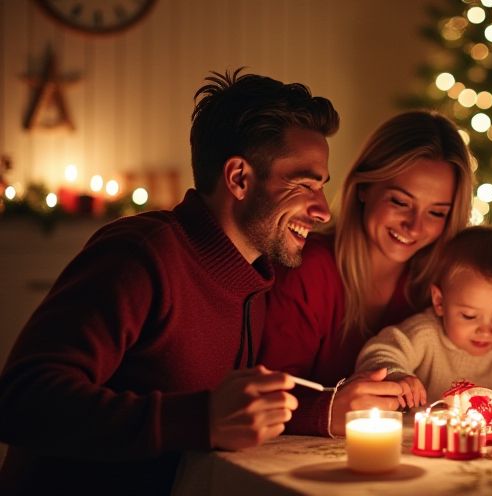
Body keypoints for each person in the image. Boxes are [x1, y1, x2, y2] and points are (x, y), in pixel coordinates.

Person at [0, 69, 339, 495]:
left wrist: (325, 411)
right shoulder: (141, 253)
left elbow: (221, 412)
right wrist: (198, 420)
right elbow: (22, 400)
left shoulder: (255, 277)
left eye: (322, 187)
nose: (323, 211)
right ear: (238, 178)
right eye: (305, 184)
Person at [260, 110, 474, 436]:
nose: (415, 226)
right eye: (400, 202)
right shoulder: (310, 269)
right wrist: (329, 410)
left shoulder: (438, 288)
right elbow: (266, 394)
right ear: (364, 188)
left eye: (436, 212)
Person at [356, 225, 492, 413]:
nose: (486, 330)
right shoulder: (424, 334)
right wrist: (397, 376)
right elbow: (378, 353)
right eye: (469, 315)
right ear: (439, 302)